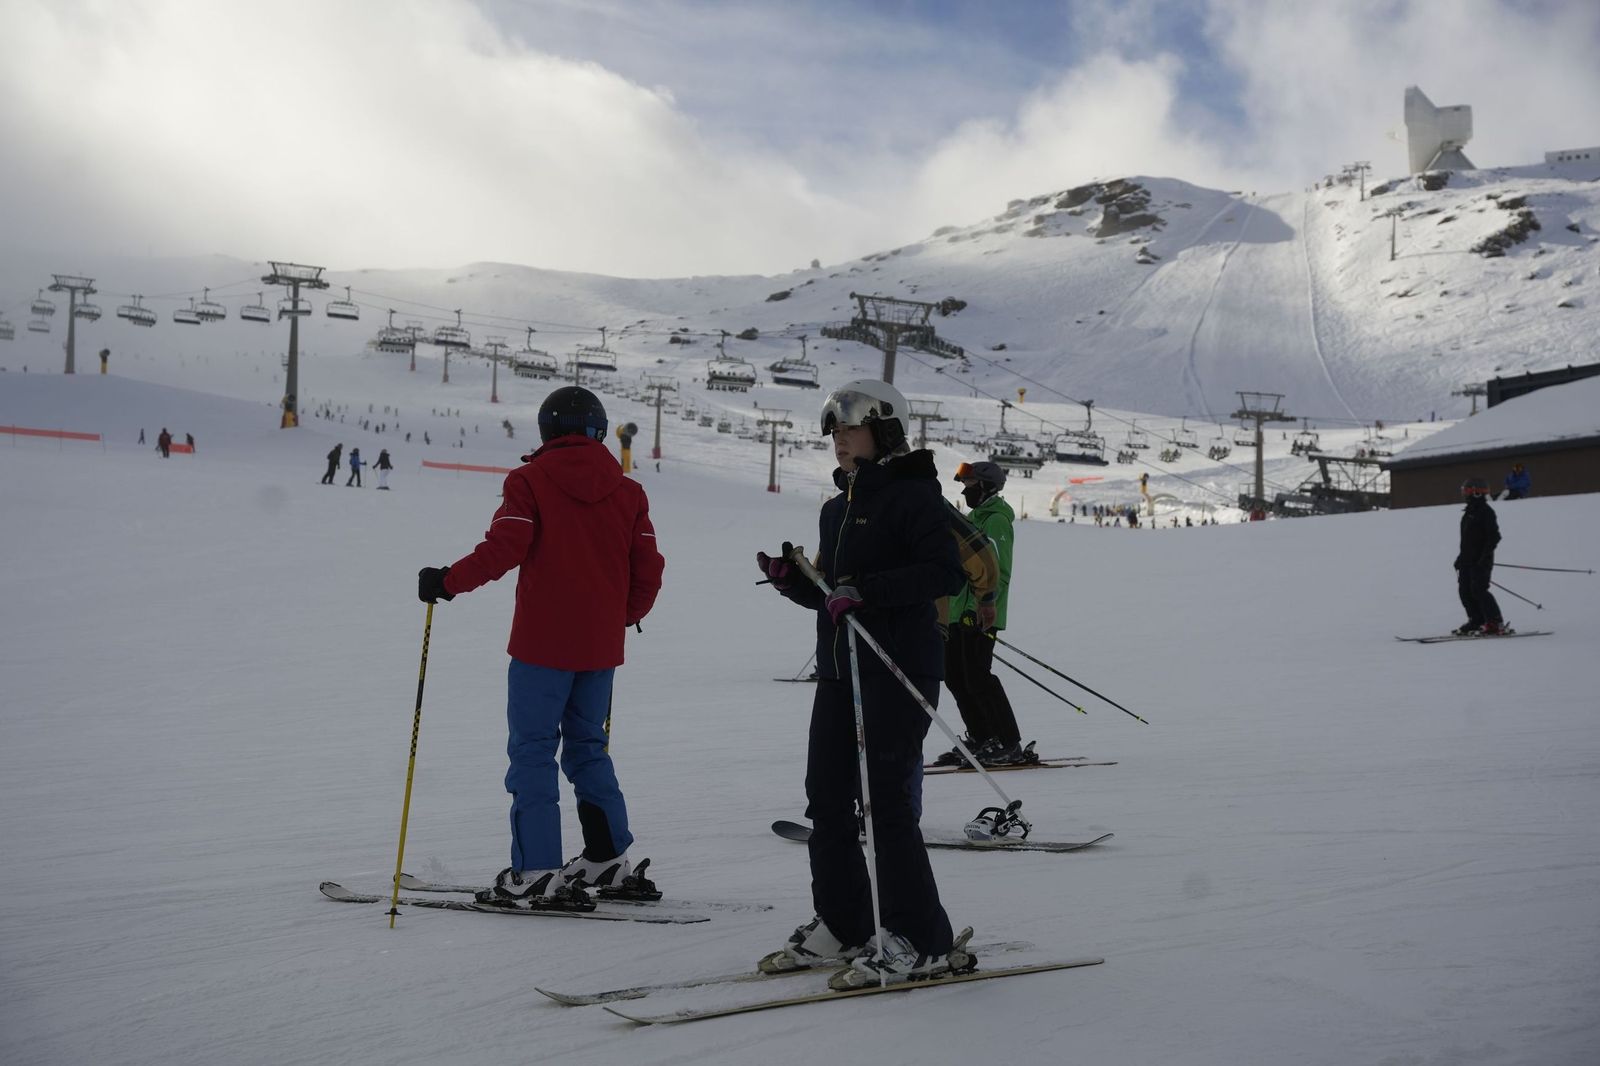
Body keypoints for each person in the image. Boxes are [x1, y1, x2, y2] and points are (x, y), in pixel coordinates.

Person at [417, 385, 664, 904]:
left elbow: (505, 546)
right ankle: (607, 859)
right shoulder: (629, 492)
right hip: (599, 649)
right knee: (588, 747)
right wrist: (621, 617)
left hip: (541, 646)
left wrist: (447, 582)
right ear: (600, 431)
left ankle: (536, 869)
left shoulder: (529, 480)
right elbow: (648, 567)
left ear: (547, 430)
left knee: (532, 750)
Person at [756, 379, 966, 987]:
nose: (840, 440)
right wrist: (796, 584)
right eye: (835, 431)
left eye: (851, 429)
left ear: (886, 431)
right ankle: (845, 923)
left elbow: (944, 574)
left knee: (886, 804)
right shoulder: (837, 508)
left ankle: (920, 938)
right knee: (826, 799)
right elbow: (834, 596)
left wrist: (867, 592)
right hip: (840, 672)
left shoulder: (915, 497)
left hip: (897, 667)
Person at [934, 460, 1029, 768]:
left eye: (970, 485)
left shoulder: (997, 521)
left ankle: (1009, 742)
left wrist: (978, 607)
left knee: (978, 677)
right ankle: (982, 738)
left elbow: (998, 571)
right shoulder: (972, 518)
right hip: (957, 613)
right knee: (955, 677)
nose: (965, 491)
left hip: (981, 614)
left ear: (987, 487)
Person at [1453, 477, 1507, 635]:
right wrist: (1460, 558)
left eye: (1467, 490)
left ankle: (1495, 622)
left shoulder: (1486, 512)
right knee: (1465, 591)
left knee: (1479, 590)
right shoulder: (1469, 512)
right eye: (1464, 490)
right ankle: (1477, 620)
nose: (1464, 493)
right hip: (1467, 561)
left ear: (1477, 492)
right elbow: (1467, 540)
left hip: (1481, 561)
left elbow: (1494, 537)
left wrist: (1484, 557)